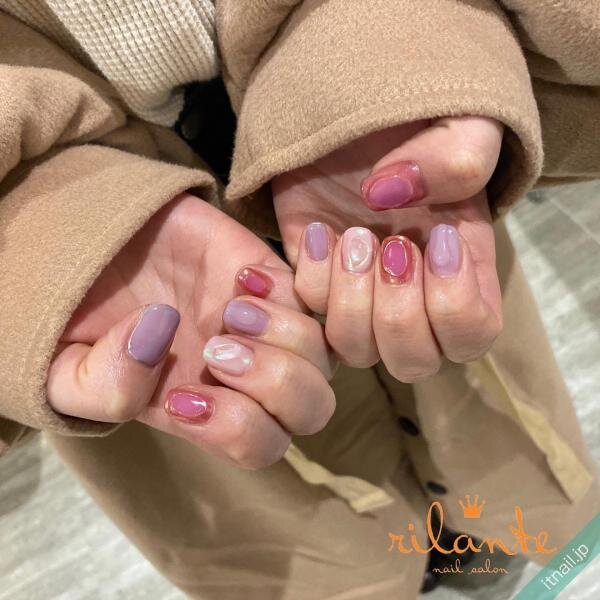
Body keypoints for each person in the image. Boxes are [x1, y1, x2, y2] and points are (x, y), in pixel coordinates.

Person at [0, 1, 598, 598]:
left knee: (464, 401)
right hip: (109, 257)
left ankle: (475, 539)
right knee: (295, 508)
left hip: (372, 132)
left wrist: (392, 49)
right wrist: (36, 236)